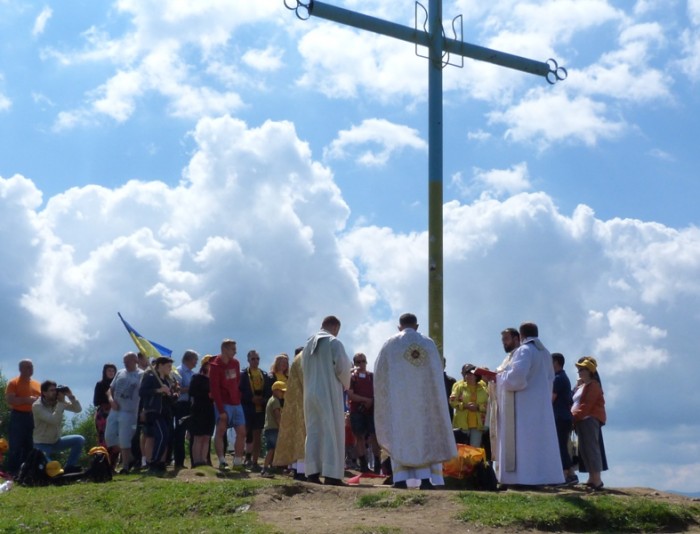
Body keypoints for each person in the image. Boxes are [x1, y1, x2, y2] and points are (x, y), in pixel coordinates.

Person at [374, 313, 457, 490]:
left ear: (399, 326)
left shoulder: (390, 344)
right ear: (417, 326)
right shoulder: (428, 343)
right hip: (424, 404)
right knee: (424, 437)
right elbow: (437, 375)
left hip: (399, 404)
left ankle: (400, 479)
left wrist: (385, 397)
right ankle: (426, 480)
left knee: (400, 436)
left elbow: (380, 374)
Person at [493, 323, 564, 486]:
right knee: (540, 441)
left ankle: (521, 478)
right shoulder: (545, 353)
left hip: (523, 406)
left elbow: (516, 378)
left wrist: (499, 377)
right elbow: (549, 379)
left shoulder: (524, 351)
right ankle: (544, 476)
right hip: (540, 405)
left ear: (521, 335)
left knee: (523, 442)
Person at [301, 315, 352, 486]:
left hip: (310, 392)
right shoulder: (334, 342)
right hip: (328, 391)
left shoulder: (307, 344)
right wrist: (346, 384)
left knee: (313, 430)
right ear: (336, 327)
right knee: (332, 430)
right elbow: (343, 368)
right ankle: (332, 474)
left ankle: (312, 472)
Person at [209, 339, 246, 470]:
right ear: (224, 349)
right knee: (220, 430)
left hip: (236, 403)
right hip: (223, 403)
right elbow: (215, 389)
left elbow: (236, 381)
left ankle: (237, 462)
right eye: (232, 349)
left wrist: (237, 396)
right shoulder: (214, 366)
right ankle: (222, 461)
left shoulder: (235, 363)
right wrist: (221, 409)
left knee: (242, 432)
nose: (235, 352)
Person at [32, 381, 85, 473]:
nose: (54, 392)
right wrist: (60, 403)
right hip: (41, 444)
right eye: (51, 390)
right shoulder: (37, 406)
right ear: (44, 393)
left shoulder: (58, 401)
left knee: (79, 440)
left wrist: (70, 396)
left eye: (55, 390)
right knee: (52, 469)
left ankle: (70, 466)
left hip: (56, 441)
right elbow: (53, 420)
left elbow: (78, 409)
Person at [572, 356, 607, 491]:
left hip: (589, 419)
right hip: (582, 420)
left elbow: (586, 405)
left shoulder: (593, 386)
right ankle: (592, 478)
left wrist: (573, 417)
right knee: (585, 450)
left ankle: (596, 480)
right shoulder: (584, 385)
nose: (579, 372)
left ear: (589, 371)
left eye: (582, 369)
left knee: (591, 449)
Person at [105, 352, 143, 474]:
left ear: (135, 361)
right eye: (124, 362)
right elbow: (110, 390)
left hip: (129, 411)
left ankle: (126, 466)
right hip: (115, 409)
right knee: (109, 436)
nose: (126, 364)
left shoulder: (142, 375)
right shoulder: (120, 372)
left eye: (128, 361)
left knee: (125, 438)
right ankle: (130, 457)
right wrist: (111, 400)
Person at [139, 356, 178, 474]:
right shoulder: (150, 377)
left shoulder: (167, 381)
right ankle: (154, 462)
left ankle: (160, 463)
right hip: (154, 412)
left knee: (165, 437)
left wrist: (173, 395)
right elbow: (142, 392)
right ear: (160, 365)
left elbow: (170, 400)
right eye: (168, 366)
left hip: (166, 412)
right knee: (161, 435)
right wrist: (158, 390)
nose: (170, 369)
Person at [272, 347, 306, 480]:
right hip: (301, 406)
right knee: (301, 439)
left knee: (295, 439)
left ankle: (297, 469)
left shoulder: (293, 366)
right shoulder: (302, 362)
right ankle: (301, 470)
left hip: (293, 407)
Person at [4, 359, 41, 475]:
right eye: (27, 367)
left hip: (33, 416)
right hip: (18, 416)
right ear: (21, 369)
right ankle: (13, 472)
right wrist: (27, 400)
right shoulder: (13, 383)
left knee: (30, 444)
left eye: (32, 366)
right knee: (16, 445)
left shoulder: (37, 384)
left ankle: (27, 471)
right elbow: (10, 399)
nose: (31, 369)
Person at [347, 352, 381, 474]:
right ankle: (363, 465)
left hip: (372, 411)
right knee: (359, 437)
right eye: (358, 362)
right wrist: (366, 400)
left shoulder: (372, 376)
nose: (361, 364)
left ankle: (377, 465)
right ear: (355, 363)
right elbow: (350, 395)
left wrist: (371, 401)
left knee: (375, 437)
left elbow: (379, 391)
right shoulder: (352, 377)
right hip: (357, 411)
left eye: (363, 361)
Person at [240, 349, 272, 471]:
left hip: (260, 409)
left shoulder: (264, 375)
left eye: (257, 358)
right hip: (247, 408)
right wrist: (250, 398)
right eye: (253, 359)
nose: (255, 361)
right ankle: (242, 458)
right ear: (248, 360)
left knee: (257, 435)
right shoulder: (243, 374)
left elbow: (268, 391)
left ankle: (254, 461)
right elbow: (240, 391)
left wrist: (263, 399)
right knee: (244, 433)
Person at [552, 352, 576, 484]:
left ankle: (565, 474)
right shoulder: (563, 377)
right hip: (565, 417)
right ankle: (571, 474)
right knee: (562, 445)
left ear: (555, 362)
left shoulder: (558, 378)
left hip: (560, 417)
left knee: (560, 446)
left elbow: (551, 399)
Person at [450, 364, 489, 447]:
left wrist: (478, 407)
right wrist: (464, 406)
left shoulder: (483, 387)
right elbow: (452, 401)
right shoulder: (458, 386)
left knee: (475, 450)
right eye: (467, 374)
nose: (468, 376)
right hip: (461, 424)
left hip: (478, 425)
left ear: (476, 376)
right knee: (461, 451)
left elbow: (489, 404)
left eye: (471, 374)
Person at [173, 349, 199, 469]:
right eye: (195, 359)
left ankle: (195, 461)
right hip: (181, 405)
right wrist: (191, 388)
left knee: (193, 432)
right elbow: (176, 389)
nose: (196, 362)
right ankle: (179, 461)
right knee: (180, 433)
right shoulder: (178, 371)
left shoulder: (193, 374)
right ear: (188, 359)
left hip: (191, 405)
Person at [190, 355, 216, 467]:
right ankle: (196, 461)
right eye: (210, 364)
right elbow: (192, 392)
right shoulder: (196, 378)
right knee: (198, 436)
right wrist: (207, 394)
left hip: (210, 410)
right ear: (205, 365)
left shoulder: (214, 380)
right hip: (199, 409)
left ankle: (204, 461)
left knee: (207, 436)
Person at [261, 381, 286, 478]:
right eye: (281, 391)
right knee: (275, 449)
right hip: (273, 428)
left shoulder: (270, 400)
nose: (283, 393)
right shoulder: (275, 401)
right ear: (275, 390)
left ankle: (268, 468)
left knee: (271, 449)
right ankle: (268, 469)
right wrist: (281, 427)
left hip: (268, 428)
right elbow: (277, 415)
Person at [93, 363, 117, 447]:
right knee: (103, 436)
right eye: (109, 371)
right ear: (105, 372)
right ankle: (103, 457)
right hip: (104, 414)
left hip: (116, 411)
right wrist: (109, 398)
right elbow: (96, 401)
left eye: (113, 371)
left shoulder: (117, 384)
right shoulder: (100, 384)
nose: (111, 372)